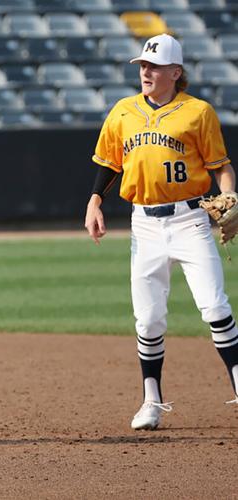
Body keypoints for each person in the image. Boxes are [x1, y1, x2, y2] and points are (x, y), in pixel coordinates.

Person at [84, 33, 238, 430]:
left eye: (153, 67)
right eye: (142, 66)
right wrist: (95, 200)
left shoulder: (198, 112)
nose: (146, 72)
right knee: (148, 320)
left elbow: (221, 165)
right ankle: (151, 401)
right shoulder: (123, 111)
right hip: (145, 224)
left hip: (190, 221)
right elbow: (109, 162)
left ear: (176, 72)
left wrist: (229, 195)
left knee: (215, 307)